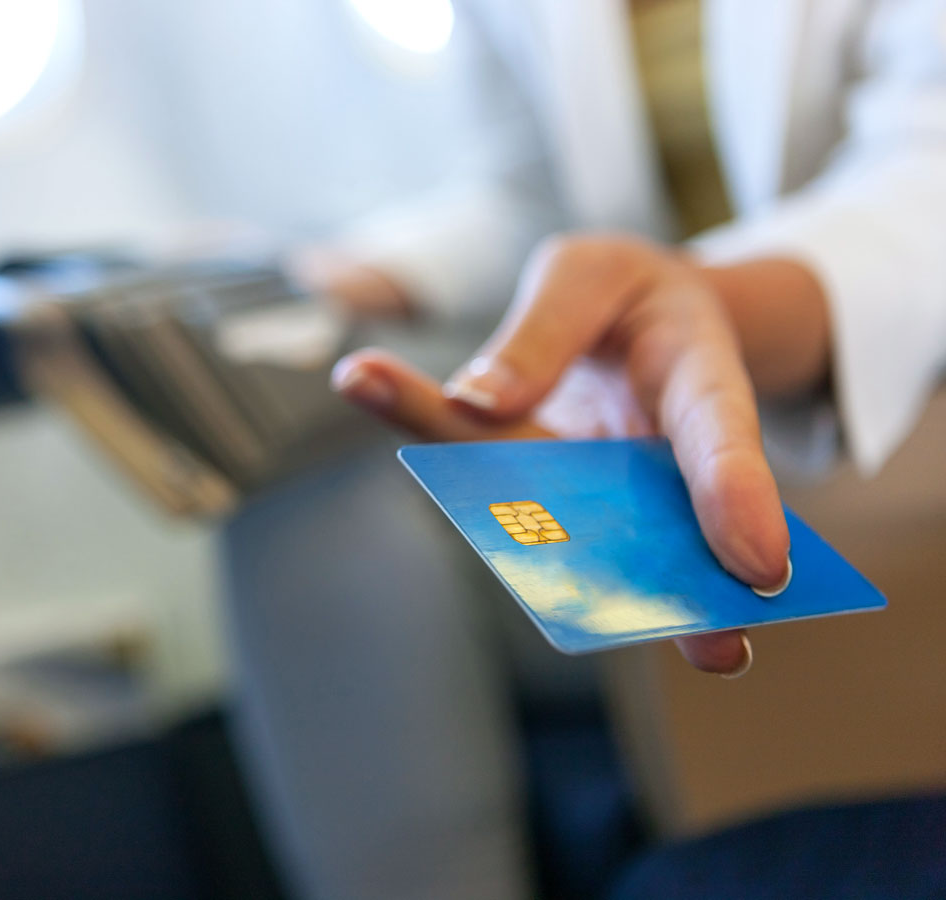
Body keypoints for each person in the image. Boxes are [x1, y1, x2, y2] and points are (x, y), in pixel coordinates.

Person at [224, 2, 946, 898]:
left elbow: (929, 174)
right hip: (663, 374)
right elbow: (532, 191)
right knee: (302, 497)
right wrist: (345, 273)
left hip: (874, 371)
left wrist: (713, 300)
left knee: (354, 525)